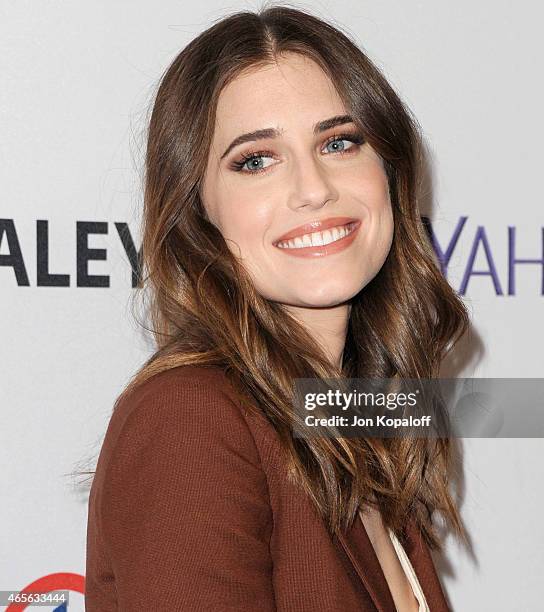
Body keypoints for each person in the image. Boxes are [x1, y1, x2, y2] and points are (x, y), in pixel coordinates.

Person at [85, 5, 469, 611]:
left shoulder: (355, 423)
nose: (313, 188)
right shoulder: (192, 417)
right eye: (255, 160)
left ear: (389, 173)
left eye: (339, 141)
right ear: (198, 211)